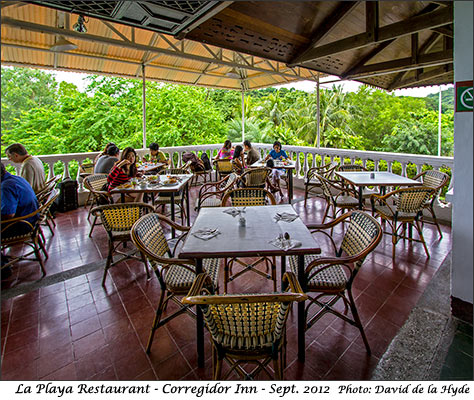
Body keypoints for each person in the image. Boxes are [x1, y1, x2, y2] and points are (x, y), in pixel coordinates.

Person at [1, 163, 40, 276]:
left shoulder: (6, 186)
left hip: (24, 224)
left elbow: (8, 215)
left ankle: (3, 267)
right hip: (32, 218)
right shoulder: (16, 179)